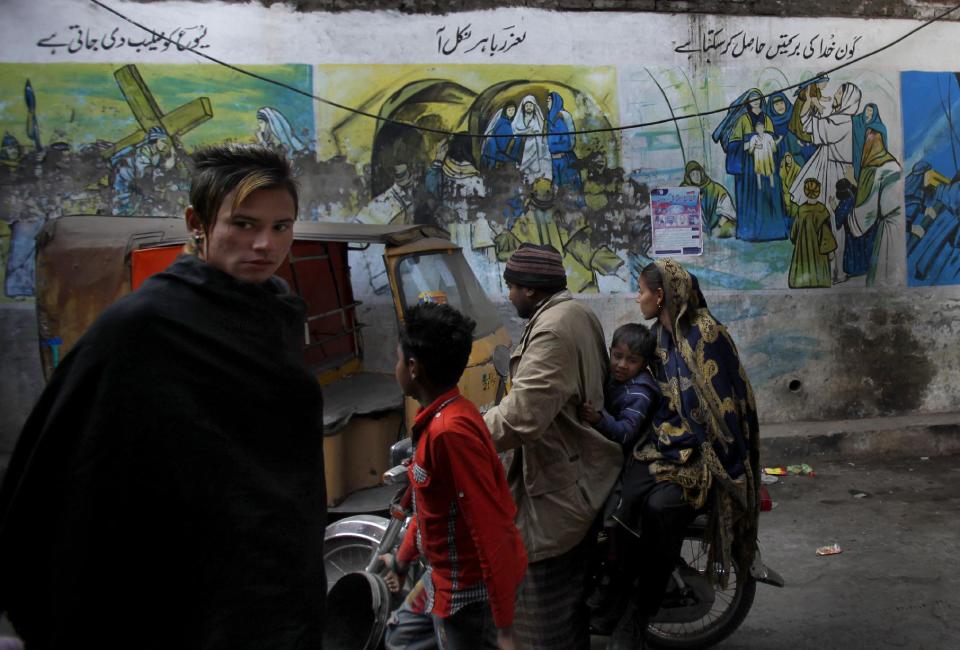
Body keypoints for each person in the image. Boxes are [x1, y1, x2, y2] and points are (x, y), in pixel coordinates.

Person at [0, 144, 327, 649]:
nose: (265, 244)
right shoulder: (144, 327)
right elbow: (70, 468)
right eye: (243, 224)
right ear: (197, 221)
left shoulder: (275, 315)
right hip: (187, 601)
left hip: (273, 587)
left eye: (281, 226)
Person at [610, 259, 760, 649]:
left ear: (660, 295)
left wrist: (702, 447)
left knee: (661, 510)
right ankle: (615, 595)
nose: (637, 296)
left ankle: (639, 617)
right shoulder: (656, 336)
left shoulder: (707, 334)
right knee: (620, 505)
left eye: (642, 290)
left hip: (703, 453)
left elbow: (727, 404)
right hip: (663, 443)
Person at [483, 243, 623, 650]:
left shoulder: (553, 330)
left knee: (544, 615)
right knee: (566, 606)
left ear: (529, 290)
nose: (508, 295)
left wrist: (463, 432)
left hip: (558, 489)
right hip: (577, 468)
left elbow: (522, 416)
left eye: (510, 287)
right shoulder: (574, 312)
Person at [380, 302, 527, 650]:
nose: (394, 366)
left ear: (413, 368)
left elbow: (490, 526)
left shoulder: (450, 433)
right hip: (439, 578)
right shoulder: (441, 416)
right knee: (400, 638)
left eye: (398, 359)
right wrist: (401, 561)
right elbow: (429, 503)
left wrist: (504, 626)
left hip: (469, 594)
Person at [578, 323, 661, 634]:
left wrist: (600, 420)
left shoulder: (640, 392)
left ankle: (614, 576)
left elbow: (626, 432)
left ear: (644, 365)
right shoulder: (613, 378)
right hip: (611, 454)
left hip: (632, 461)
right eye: (618, 356)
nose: (622, 365)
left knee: (611, 518)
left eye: (632, 361)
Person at [787, 178, 837, 288]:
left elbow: (793, 235)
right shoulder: (822, 211)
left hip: (802, 254)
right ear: (818, 192)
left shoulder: (801, 211)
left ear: (805, 192)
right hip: (820, 259)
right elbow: (826, 238)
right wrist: (831, 253)